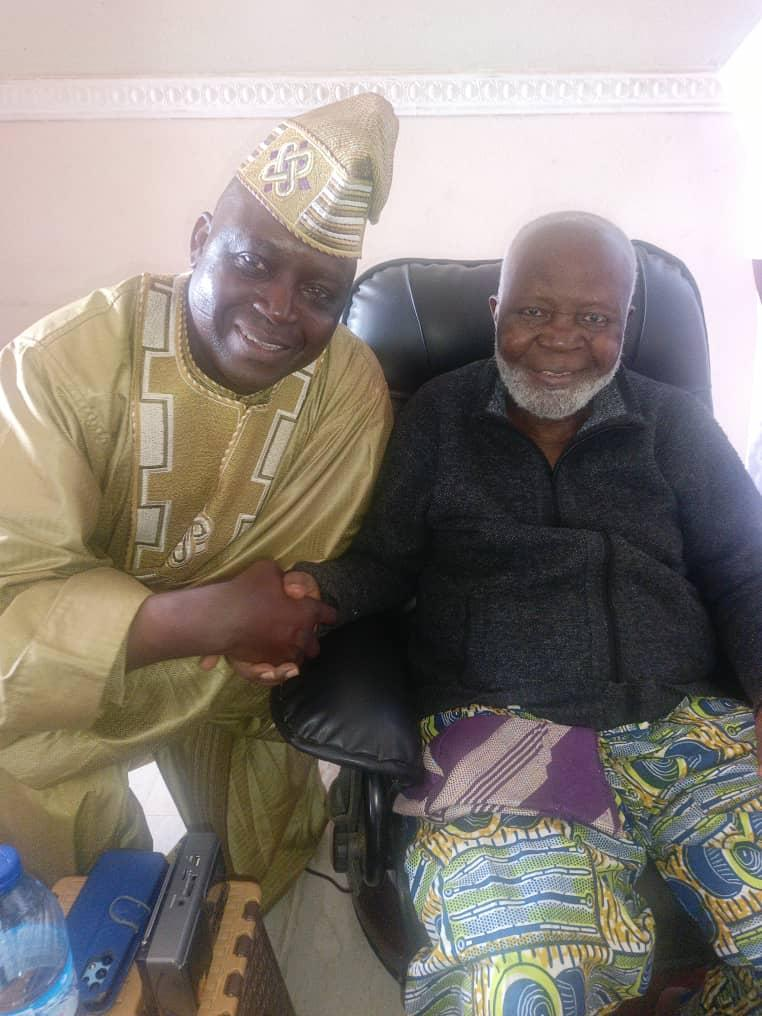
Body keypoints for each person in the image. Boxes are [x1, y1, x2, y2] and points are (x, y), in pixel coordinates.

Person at [282, 212, 762, 1014]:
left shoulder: (674, 421)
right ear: (495, 310)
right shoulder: (439, 416)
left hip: (689, 725)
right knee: (521, 989)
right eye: (535, 310)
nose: (562, 338)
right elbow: (386, 560)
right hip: (498, 734)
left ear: (625, 322)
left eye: (593, 317)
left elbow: (746, 569)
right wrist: (321, 592)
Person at [0, 92, 398, 908]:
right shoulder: (59, 370)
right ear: (199, 240)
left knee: (251, 889)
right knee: (87, 906)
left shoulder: (347, 388)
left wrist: (276, 614)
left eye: (320, 292)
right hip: (65, 690)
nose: (280, 308)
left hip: (234, 683)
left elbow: (319, 562)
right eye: (252, 262)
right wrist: (197, 619)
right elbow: (11, 609)